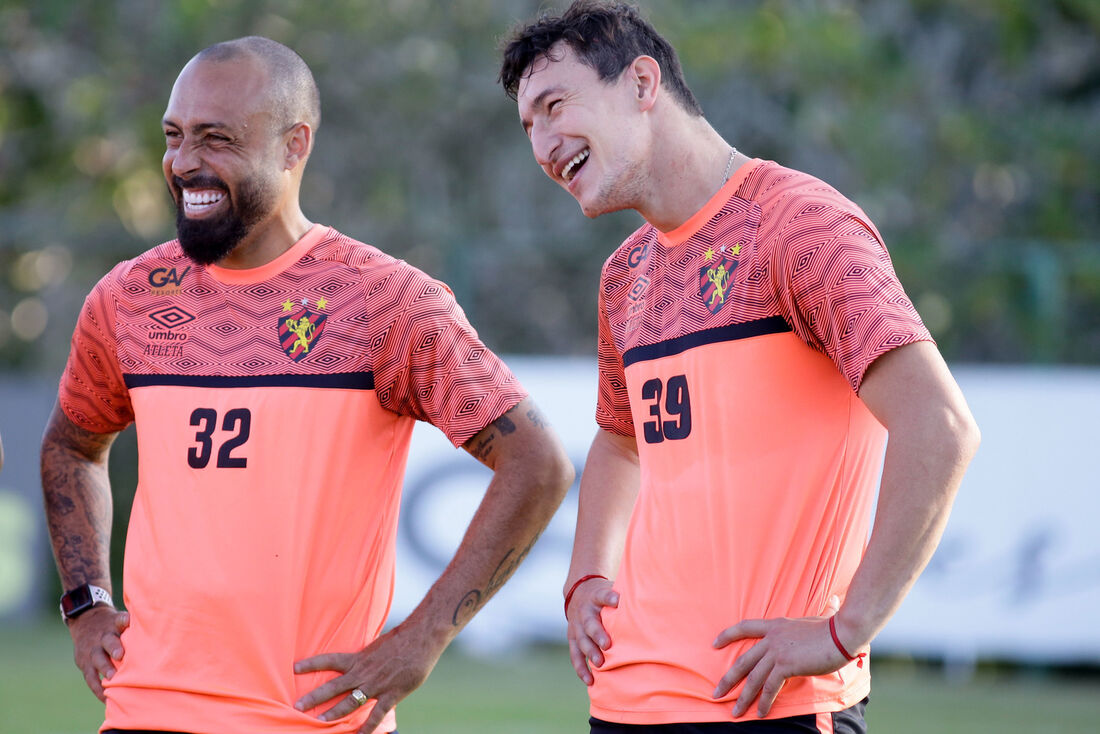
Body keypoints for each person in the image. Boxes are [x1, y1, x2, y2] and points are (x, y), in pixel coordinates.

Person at [41, 36, 573, 734]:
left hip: (310, 721)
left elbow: (537, 463)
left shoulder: (386, 302)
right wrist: (85, 602)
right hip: (145, 712)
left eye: (216, 138)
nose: (184, 162)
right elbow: (72, 448)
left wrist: (424, 638)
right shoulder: (130, 297)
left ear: (295, 145)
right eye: (174, 136)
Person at [499, 2, 980, 732]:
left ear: (641, 83)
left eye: (554, 105)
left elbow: (940, 426)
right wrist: (588, 573)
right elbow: (622, 438)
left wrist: (847, 630)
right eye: (527, 124)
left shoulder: (800, 225)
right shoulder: (623, 274)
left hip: (767, 703)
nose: (541, 143)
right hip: (626, 703)